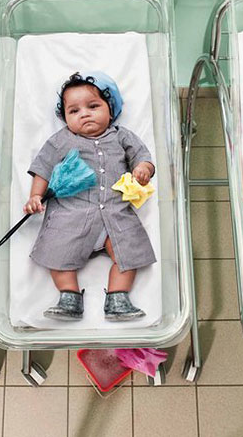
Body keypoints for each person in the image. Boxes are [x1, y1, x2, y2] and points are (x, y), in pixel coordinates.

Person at [25, 71, 156, 321]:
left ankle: (118, 297)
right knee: (56, 252)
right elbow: (43, 168)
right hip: (71, 216)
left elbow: (142, 156)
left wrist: (143, 169)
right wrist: (35, 196)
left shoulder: (121, 136)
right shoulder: (62, 140)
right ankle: (69, 297)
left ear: (111, 109)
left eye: (93, 106)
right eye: (74, 111)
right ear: (65, 117)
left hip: (115, 215)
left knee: (129, 253)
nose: (84, 114)